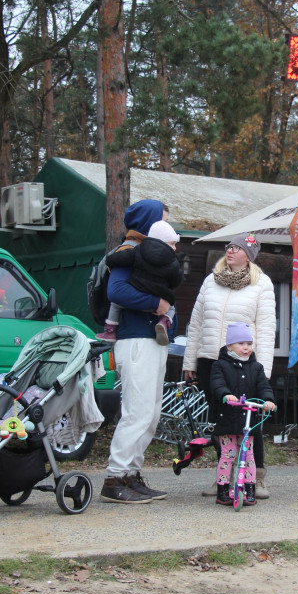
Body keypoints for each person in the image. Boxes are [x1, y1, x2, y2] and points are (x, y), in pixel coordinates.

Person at [182, 232, 277, 498]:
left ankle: (255, 477)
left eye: (237, 247)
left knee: (249, 422)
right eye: (229, 246)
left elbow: (267, 329)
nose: (230, 250)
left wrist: (264, 373)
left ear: (249, 255)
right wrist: (190, 361)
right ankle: (225, 476)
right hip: (211, 361)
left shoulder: (262, 284)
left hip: (245, 363)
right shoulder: (210, 282)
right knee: (220, 423)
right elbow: (196, 323)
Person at [100, 200, 173, 504]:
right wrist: (157, 305)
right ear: (148, 222)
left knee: (150, 412)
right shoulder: (129, 250)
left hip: (152, 341)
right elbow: (116, 291)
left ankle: (131, 474)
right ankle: (114, 477)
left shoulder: (151, 254)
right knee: (137, 411)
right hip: (136, 341)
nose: (166, 227)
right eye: (162, 220)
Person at [209, 322, 277, 506]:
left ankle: (249, 488)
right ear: (230, 346)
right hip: (227, 419)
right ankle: (223, 489)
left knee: (248, 456)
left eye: (249, 343)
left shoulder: (256, 368)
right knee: (228, 454)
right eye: (241, 344)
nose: (246, 348)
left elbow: (263, 387)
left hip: (248, 419)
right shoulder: (220, 365)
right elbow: (217, 383)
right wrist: (225, 395)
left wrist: (268, 400)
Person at [102, 220, 183, 346]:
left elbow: (120, 258)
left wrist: (110, 261)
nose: (175, 247)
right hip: (159, 301)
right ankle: (164, 321)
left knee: (116, 304)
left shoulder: (137, 250)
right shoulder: (173, 262)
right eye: (172, 244)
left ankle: (110, 329)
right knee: (170, 306)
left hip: (138, 290)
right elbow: (177, 280)